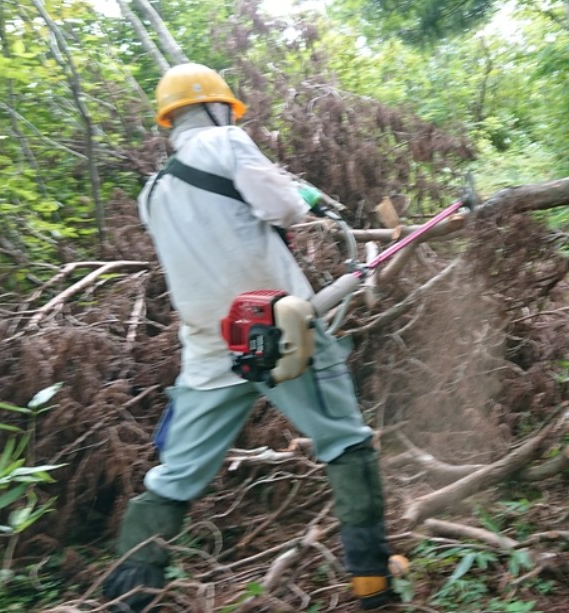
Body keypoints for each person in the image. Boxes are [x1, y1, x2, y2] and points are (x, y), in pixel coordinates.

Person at [102, 63, 396, 612]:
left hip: (211, 345)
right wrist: (299, 197)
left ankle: (127, 600)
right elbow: (279, 208)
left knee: (176, 474)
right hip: (274, 325)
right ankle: (373, 589)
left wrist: (290, 191)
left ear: (171, 118)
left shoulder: (154, 190)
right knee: (346, 442)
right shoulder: (226, 140)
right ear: (217, 107)